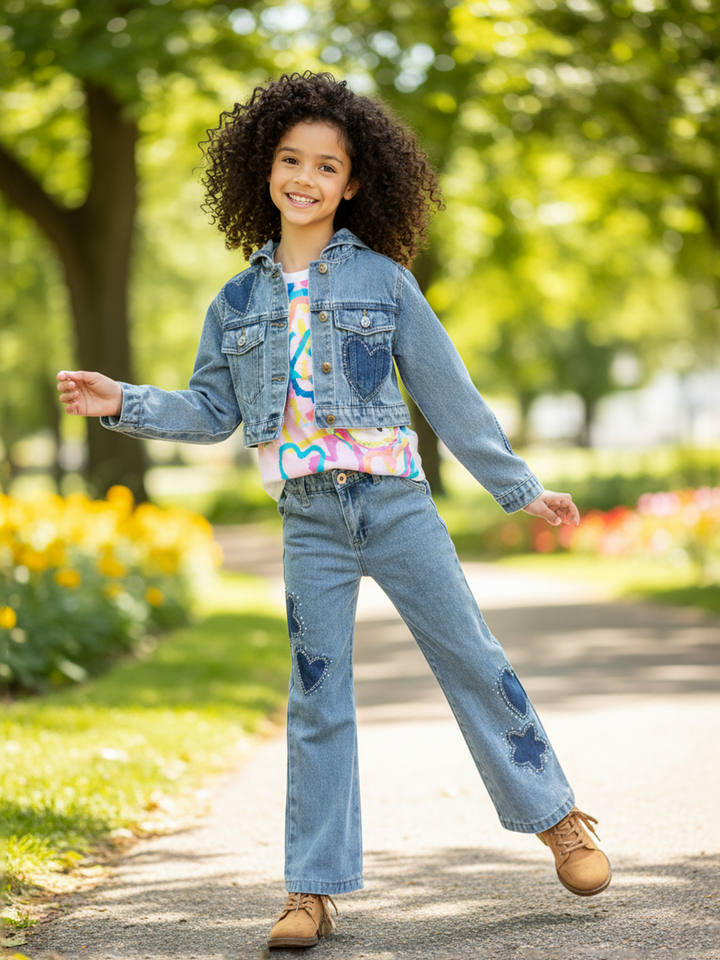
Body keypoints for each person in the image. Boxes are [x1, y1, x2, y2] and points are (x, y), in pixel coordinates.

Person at [57, 71, 611, 951]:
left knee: (471, 655)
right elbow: (212, 413)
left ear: (354, 183)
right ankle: (311, 890)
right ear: (262, 170)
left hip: (396, 504)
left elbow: (449, 394)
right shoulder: (234, 305)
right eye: (290, 160)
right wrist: (121, 399)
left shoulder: (385, 282)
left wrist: (519, 488)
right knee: (317, 696)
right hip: (309, 518)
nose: (305, 178)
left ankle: (558, 819)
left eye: (326, 166)